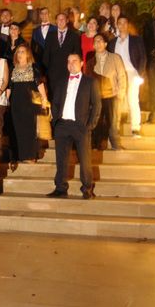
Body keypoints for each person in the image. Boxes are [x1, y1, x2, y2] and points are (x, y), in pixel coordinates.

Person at [47, 54, 101, 199]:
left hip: (80, 126)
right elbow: (56, 103)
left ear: (82, 63)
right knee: (61, 159)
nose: (71, 64)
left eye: (74, 61)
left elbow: (97, 105)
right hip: (63, 125)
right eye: (69, 61)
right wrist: (56, 123)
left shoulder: (90, 82)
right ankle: (60, 188)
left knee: (85, 159)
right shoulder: (61, 82)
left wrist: (90, 125)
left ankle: (87, 188)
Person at [85, 33, 127, 151]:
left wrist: (121, 92)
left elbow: (122, 76)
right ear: (93, 45)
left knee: (113, 121)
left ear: (105, 44)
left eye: (100, 41)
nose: (98, 43)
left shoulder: (115, 58)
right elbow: (87, 80)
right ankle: (95, 144)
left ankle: (115, 143)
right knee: (96, 121)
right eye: (95, 41)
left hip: (112, 94)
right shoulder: (90, 62)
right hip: (96, 96)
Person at [8, 43, 48, 162]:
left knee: (29, 129)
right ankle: (19, 155)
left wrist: (44, 99)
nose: (20, 54)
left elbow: (39, 84)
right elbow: (9, 87)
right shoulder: (13, 68)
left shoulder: (33, 67)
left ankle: (30, 155)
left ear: (28, 54)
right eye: (18, 52)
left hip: (29, 103)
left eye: (22, 52)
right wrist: (6, 101)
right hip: (16, 102)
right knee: (17, 128)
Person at [108, 16, 147, 136]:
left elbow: (143, 57)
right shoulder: (112, 42)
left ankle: (135, 127)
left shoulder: (136, 40)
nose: (122, 25)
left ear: (128, 24)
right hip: (118, 74)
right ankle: (116, 128)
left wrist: (139, 74)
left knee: (133, 100)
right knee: (118, 102)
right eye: (120, 23)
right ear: (117, 25)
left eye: (125, 23)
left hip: (131, 73)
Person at [42, 13, 82, 99]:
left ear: (67, 20)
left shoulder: (74, 35)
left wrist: (76, 71)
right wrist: (45, 73)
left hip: (68, 72)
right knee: (53, 98)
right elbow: (46, 55)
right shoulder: (50, 35)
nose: (61, 21)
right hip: (53, 75)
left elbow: (78, 54)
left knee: (67, 97)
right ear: (56, 21)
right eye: (59, 19)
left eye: (63, 19)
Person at [31, 7, 56, 74]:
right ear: (40, 15)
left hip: (53, 58)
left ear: (49, 14)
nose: (44, 15)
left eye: (46, 13)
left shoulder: (56, 29)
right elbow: (32, 47)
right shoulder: (35, 30)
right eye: (42, 13)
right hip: (39, 60)